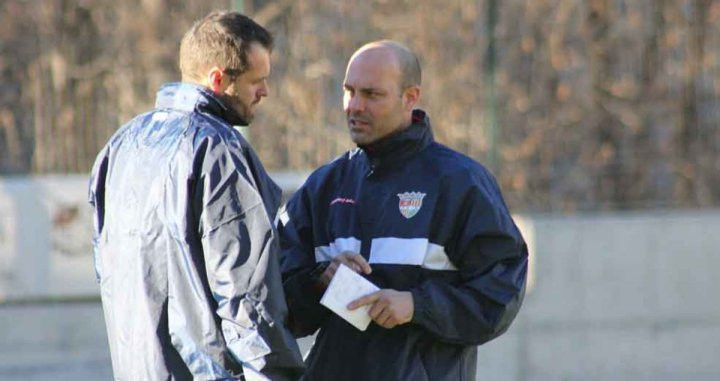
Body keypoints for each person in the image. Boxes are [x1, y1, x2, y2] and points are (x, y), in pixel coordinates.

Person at [278, 40, 528, 380]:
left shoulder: (459, 182)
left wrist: (417, 306)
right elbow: (278, 303)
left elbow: (500, 296)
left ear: (410, 97)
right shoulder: (323, 186)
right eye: (348, 91)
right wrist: (319, 279)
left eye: (371, 94)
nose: (355, 106)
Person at [88, 11, 304, 381]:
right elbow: (245, 291)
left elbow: (106, 271)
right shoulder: (217, 149)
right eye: (258, 81)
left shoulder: (120, 146)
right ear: (218, 79)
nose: (265, 92)